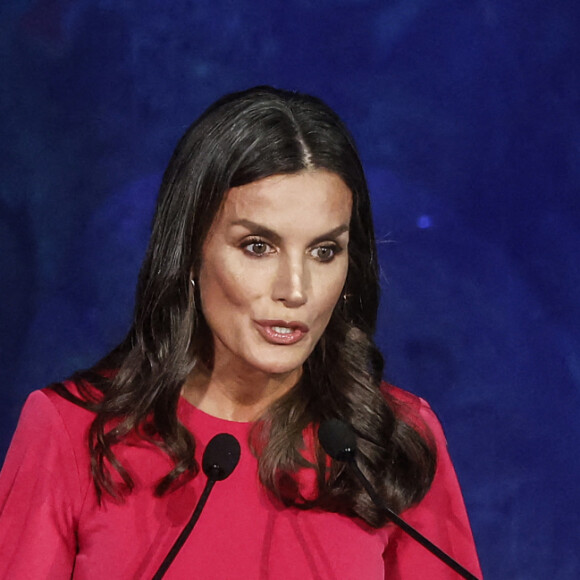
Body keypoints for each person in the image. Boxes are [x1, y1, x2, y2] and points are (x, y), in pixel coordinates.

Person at [0, 86, 482, 579]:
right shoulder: (73, 434)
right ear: (190, 250)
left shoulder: (394, 441)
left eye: (323, 252)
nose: (295, 290)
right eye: (257, 246)